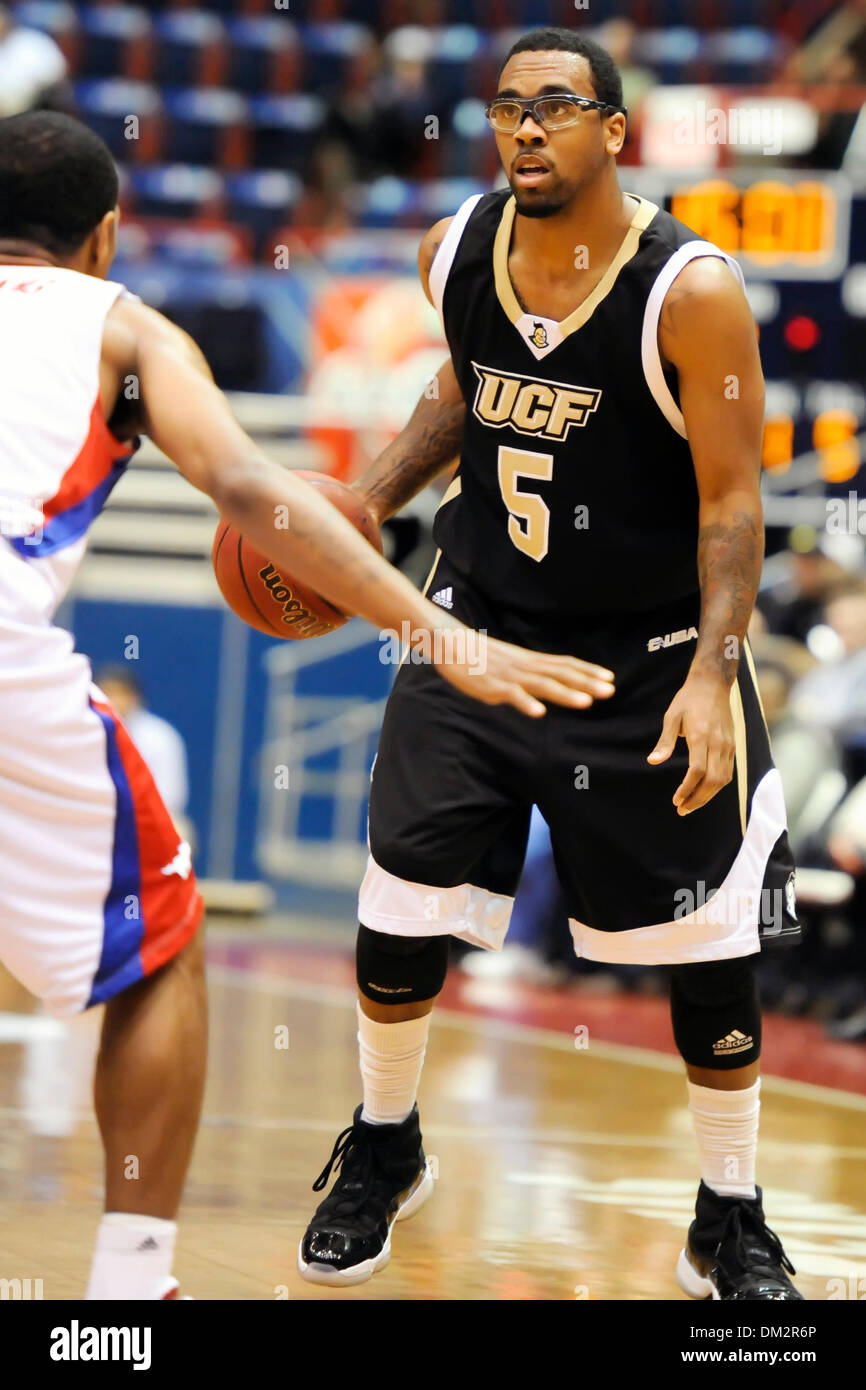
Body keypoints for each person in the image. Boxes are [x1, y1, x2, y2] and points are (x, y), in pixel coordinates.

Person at [0, 110, 607, 1300]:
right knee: (163, 938)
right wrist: (429, 629)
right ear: (107, 235)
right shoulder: (122, 326)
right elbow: (248, 490)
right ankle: (132, 1292)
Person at [299, 28, 803, 1301]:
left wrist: (709, 675)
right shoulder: (454, 247)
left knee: (708, 953)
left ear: (613, 132)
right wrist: (361, 505)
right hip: (476, 628)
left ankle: (725, 1215)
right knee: (397, 909)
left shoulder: (689, 289)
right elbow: (465, 395)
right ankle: (383, 1142)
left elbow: (732, 505)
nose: (526, 128)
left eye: (557, 107)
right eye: (508, 107)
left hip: (647, 658)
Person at [95, 667, 190, 830]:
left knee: (178, 829)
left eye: (119, 694)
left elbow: (171, 796)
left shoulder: (160, 736)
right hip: (96, 816)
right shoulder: (84, 732)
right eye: (107, 693)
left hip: (150, 820)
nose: (113, 700)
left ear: (134, 698)